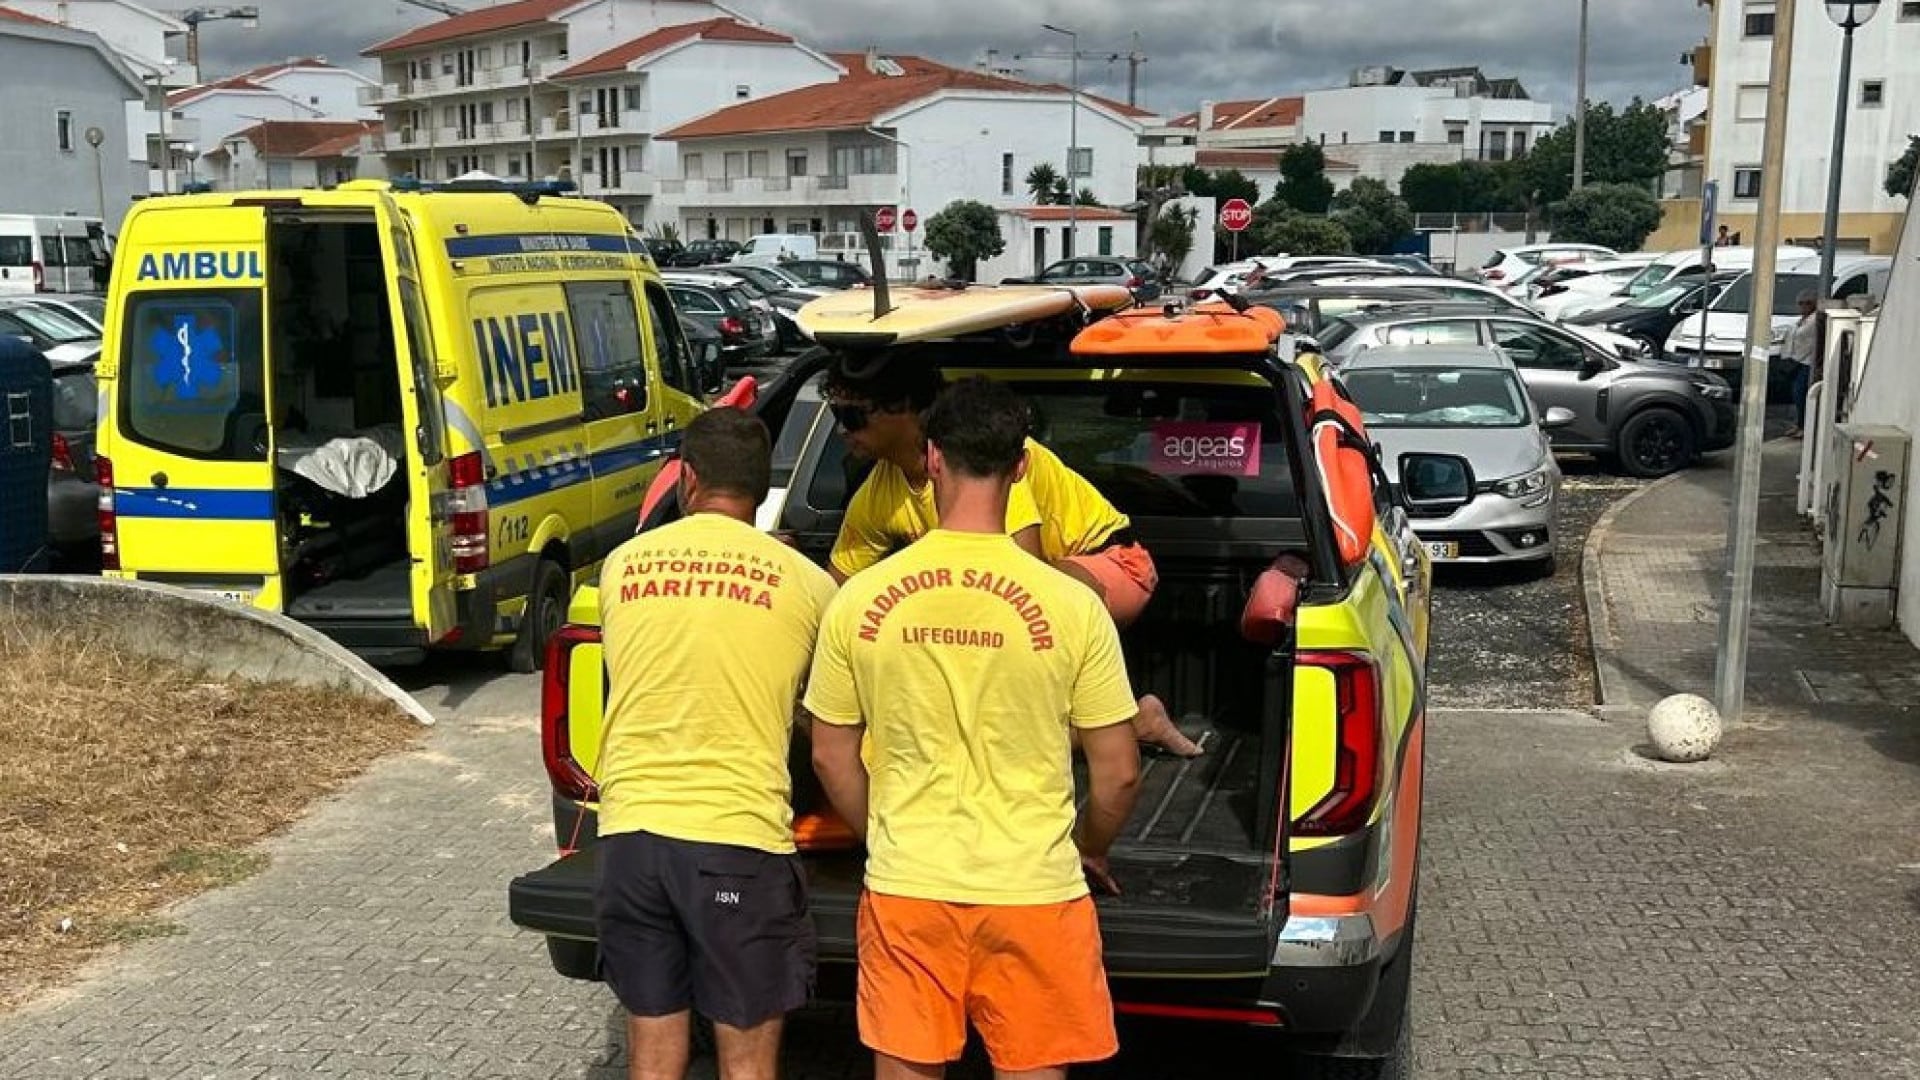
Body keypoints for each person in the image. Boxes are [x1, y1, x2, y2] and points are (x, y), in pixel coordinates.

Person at [805, 376, 1144, 1080]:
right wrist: (1091, 848)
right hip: (1037, 893)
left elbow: (830, 755)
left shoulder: (859, 600)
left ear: (930, 459)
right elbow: (1118, 772)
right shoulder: (1074, 606)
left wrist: (885, 835)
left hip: (908, 889)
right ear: (1021, 466)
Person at [594, 408, 838, 1080]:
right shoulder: (810, 586)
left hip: (631, 840)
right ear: (762, 491)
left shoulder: (621, 566)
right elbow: (823, 719)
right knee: (747, 1060)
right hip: (737, 843)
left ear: (687, 479)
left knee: (650, 1038)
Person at [822, 352, 1201, 757]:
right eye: (834, 414)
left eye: (852, 416)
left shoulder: (986, 460)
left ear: (906, 410)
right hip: (1023, 587)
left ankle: (1104, 722)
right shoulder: (879, 490)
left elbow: (1026, 579)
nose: (842, 430)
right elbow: (835, 591)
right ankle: (1131, 725)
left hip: (1109, 563)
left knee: (1011, 618)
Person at [1785, 290, 1820, 439]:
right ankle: (1799, 423)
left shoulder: (1813, 321)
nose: (1802, 307)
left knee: (1801, 394)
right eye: (1800, 304)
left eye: (1806, 304)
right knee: (1796, 394)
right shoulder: (1802, 320)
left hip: (1807, 361)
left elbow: (1805, 339)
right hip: (1797, 360)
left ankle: (1805, 426)